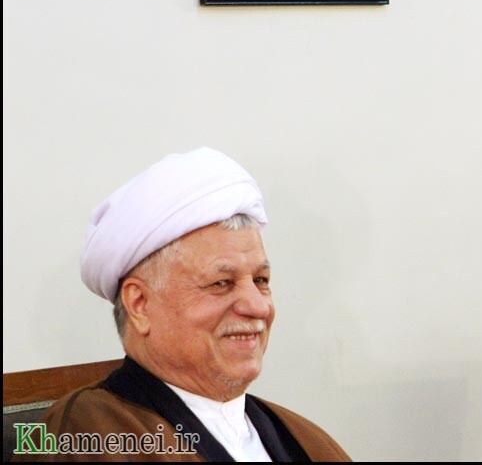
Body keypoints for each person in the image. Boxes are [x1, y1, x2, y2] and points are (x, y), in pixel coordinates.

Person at [13, 148, 349, 462]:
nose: (258, 307)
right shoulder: (83, 434)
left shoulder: (308, 440)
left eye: (261, 280)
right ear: (140, 304)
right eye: (221, 283)